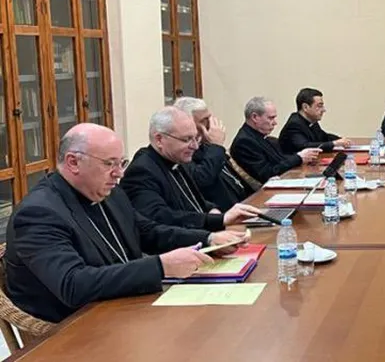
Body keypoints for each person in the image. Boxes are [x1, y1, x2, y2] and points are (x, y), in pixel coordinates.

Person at [4, 123, 247, 323]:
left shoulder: (108, 192)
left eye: (121, 163)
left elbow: (146, 231)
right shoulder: (38, 213)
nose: (119, 173)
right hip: (76, 329)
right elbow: (73, 284)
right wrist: (161, 266)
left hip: (126, 305)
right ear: (73, 162)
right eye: (109, 163)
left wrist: (209, 239)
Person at [121, 107, 261, 230]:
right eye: (186, 139)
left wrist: (212, 209)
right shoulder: (142, 171)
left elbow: (192, 200)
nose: (194, 146)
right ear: (159, 139)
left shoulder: (177, 159)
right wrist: (216, 220)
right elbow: (161, 217)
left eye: (196, 138)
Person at [172, 97, 253, 211]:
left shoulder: (205, 145)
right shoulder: (182, 150)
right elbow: (201, 179)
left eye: (209, 118)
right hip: (222, 213)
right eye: (204, 120)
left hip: (244, 204)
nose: (211, 124)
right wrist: (216, 146)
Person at [231, 97, 321, 183]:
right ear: (255, 117)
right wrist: (299, 158)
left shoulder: (260, 136)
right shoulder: (244, 142)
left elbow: (280, 160)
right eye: (271, 118)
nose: (275, 123)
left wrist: (302, 157)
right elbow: (267, 173)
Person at [279, 88, 350, 153]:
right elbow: (304, 146)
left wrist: (340, 139)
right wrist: (334, 143)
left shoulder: (311, 120)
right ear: (305, 107)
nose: (323, 110)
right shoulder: (294, 124)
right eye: (319, 106)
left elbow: (324, 137)